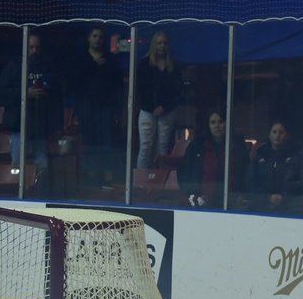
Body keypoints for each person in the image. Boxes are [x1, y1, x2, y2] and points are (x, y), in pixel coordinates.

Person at [0, 31, 63, 191]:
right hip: (18, 125)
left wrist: (57, 125)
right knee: (17, 166)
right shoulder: (14, 66)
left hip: (40, 127)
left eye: (37, 48)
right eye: (31, 47)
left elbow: (57, 99)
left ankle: (38, 199)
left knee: (42, 167)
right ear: (25, 48)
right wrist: (25, 93)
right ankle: (15, 200)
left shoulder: (48, 69)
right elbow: (1, 94)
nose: (34, 51)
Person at [68, 26, 123, 188]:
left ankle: (107, 178)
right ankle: (91, 179)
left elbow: (118, 87)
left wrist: (118, 110)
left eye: (100, 37)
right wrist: (93, 65)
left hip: (106, 109)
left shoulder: (111, 60)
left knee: (106, 143)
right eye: (94, 36)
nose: (97, 39)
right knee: (90, 144)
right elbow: (73, 82)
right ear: (88, 38)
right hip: (85, 108)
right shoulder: (79, 59)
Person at [179, 108, 248, 209]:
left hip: (232, 203)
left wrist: (242, 196)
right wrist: (191, 194)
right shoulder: (196, 146)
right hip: (202, 203)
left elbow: (245, 173)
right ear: (208, 125)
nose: (217, 125)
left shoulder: (237, 146)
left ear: (227, 123)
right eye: (213, 122)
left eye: (220, 122)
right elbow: (183, 171)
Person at [135, 31, 184, 170]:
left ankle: (160, 180)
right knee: (145, 146)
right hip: (147, 110)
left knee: (162, 148)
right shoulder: (145, 64)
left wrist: (164, 107)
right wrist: (153, 107)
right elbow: (142, 89)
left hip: (167, 110)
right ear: (154, 45)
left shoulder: (174, 67)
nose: (162, 46)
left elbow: (177, 90)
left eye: (165, 43)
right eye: (159, 43)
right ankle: (142, 181)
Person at [245, 119, 303, 214]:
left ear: (287, 135)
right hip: (262, 210)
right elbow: (251, 182)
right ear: (269, 135)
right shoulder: (259, 157)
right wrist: (267, 198)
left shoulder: (296, 157)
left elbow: (302, 183)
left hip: (290, 210)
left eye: (281, 132)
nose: (277, 135)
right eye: (274, 132)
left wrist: (284, 196)